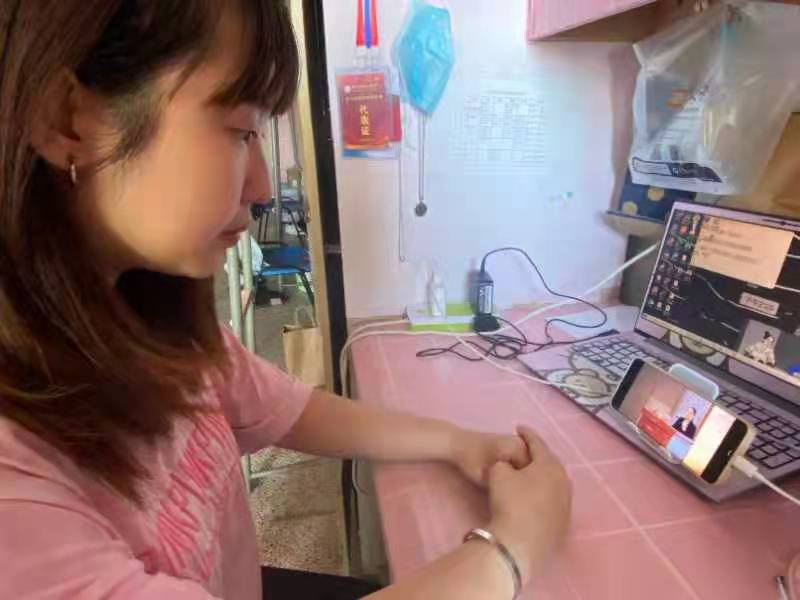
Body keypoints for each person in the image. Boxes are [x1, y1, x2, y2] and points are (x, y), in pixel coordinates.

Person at [0, 2, 572, 599]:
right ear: (68, 120)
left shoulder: (148, 316)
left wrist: (457, 442)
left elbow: (287, 409)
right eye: (239, 131)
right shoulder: (14, 494)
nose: (263, 185)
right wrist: (512, 549)